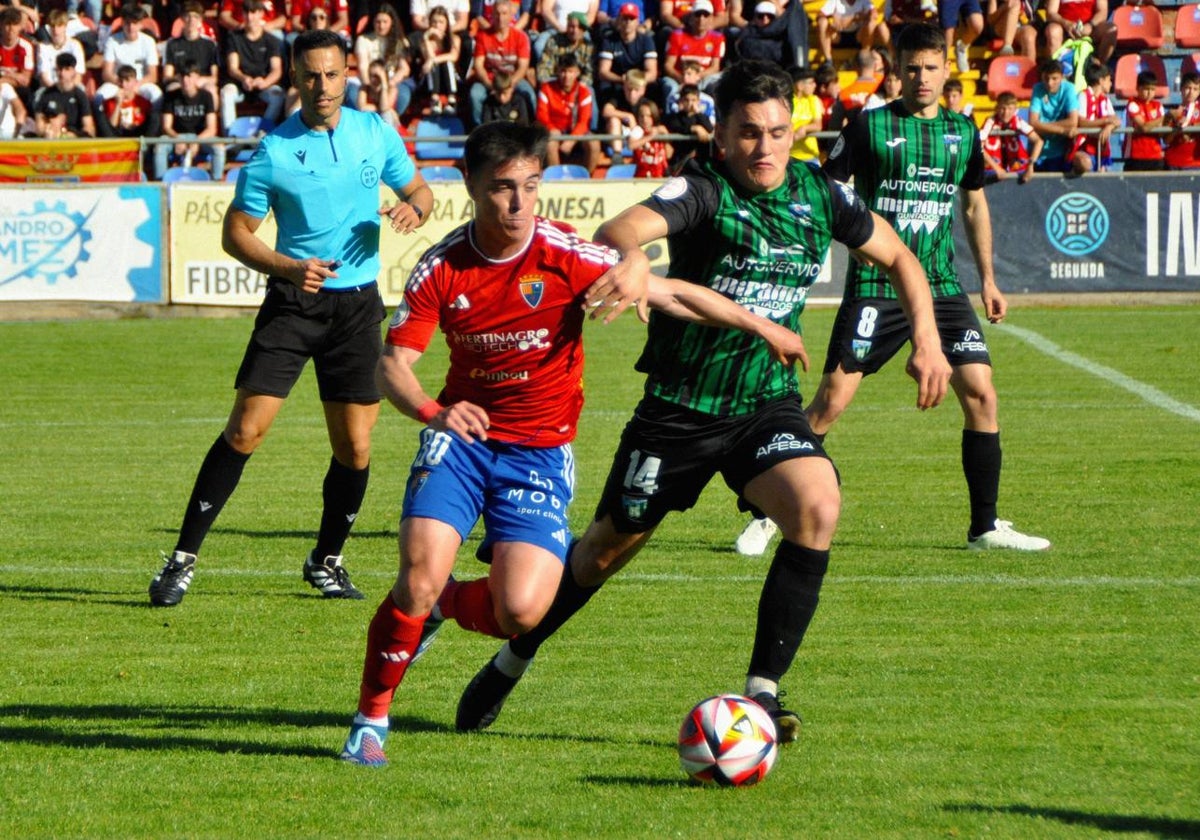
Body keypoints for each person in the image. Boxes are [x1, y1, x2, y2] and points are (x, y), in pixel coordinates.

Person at [449, 59, 952, 739]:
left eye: (777, 131)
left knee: (817, 503)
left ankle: (764, 695)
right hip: (679, 410)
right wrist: (628, 258)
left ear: (795, 128)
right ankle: (513, 659)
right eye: (749, 132)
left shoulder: (820, 192)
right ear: (722, 133)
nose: (765, 147)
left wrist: (927, 338)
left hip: (763, 405)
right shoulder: (703, 190)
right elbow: (621, 231)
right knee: (601, 552)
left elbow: (900, 257)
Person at [338, 118, 815, 766]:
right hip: (464, 441)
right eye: (503, 188)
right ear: (470, 183)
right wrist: (434, 411)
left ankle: (447, 606)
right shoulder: (441, 267)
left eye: (531, 187)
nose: (518, 204)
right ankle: (371, 720)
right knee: (415, 578)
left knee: (522, 611)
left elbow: (672, 292)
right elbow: (391, 365)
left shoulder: (567, 255)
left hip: (538, 450)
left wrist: (765, 327)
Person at [147, 29, 434, 608]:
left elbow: (422, 192)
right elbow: (235, 234)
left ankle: (326, 561)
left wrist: (411, 207)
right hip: (293, 304)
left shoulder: (375, 132)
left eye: (332, 74)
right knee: (245, 430)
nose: (322, 85)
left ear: (346, 72)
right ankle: (181, 561)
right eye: (311, 75)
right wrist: (286, 266)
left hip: (357, 308)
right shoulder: (274, 151)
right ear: (295, 78)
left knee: (355, 448)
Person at [812, 23, 1049, 552]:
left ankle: (984, 527)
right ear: (896, 70)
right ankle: (766, 508)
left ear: (947, 71)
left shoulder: (964, 133)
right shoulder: (868, 127)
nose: (921, 77)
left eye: (931, 67)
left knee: (982, 395)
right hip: (878, 283)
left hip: (943, 286)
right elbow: (828, 193)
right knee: (830, 402)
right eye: (911, 68)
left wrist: (987, 279)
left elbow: (973, 203)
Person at [466, 0, 535, 128]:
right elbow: (479, 65)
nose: (500, 18)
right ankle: (479, 131)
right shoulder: (483, 36)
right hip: (490, 79)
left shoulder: (521, 37)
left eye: (504, 13)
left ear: (511, 16)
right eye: (497, 14)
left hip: (512, 78)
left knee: (529, 94)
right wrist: (491, 85)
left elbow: (522, 67)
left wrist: (509, 85)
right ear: (492, 15)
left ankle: (530, 132)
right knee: (475, 95)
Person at [219, 0, 286, 131]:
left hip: (263, 83)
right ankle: (230, 136)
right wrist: (244, 79)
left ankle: (263, 131)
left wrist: (265, 82)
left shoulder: (272, 40)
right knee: (226, 93)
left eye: (254, 12)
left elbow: (276, 69)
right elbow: (232, 68)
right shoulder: (233, 38)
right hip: (239, 83)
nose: (250, 17)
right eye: (246, 13)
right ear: (242, 14)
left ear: (261, 14)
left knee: (278, 95)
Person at [155, 60, 225, 179]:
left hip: (201, 137)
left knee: (219, 148)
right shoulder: (170, 96)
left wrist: (197, 141)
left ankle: (216, 182)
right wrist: (177, 139)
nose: (186, 80)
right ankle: (160, 184)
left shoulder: (206, 96)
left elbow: (212, 128)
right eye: (182, 76)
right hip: (176, 136)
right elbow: (166, 127)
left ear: (197, 77)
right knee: (160, 147)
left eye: (189, 76)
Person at [537, 52, 600, 172]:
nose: (566, 76)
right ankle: (556, 179)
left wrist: (571, 140)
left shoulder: (583, 92)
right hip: (554, 132)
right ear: (557, 71)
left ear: (577, 73)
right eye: (563, 71)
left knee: (594, 143)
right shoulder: (546, 89)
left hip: (576, 132)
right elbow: (542, 117)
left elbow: (584, 121)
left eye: (571, 71)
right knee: (550, 144)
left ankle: (586, 178)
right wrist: (552, 129)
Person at [98, 5, 162, 105]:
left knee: (156, 95)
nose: (131, 27)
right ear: (122, 23)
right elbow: (106, 73)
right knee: (99, 96)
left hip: (140, 83)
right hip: (118, 83)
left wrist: (135, 85)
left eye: (135, 23)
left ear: (141, 25)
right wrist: (122, 84)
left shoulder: (149, 42)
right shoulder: (112, 41)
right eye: (127, 23)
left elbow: (152, 75)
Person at [661, 0, 724, 101]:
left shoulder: (717, 38)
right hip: (680, 78)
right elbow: (668, 65)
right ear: (691, 17)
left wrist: (696, 77)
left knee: (717, 82)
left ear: (711, 18)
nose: (701, 19)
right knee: (670, 87)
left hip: (703, 78)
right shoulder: (677, 35)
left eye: (706, 15)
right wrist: (682, 78)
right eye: (697, 15)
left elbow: (715, 67)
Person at [595, 2, 658, 101]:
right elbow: (603, 71)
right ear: (619, 20)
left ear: (637, 21)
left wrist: (635, 81)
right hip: (617, 81)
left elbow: (652, 73)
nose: (628, 22)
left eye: (632, 19)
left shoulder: (646, 40)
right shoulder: (609, 40)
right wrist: (622, 80)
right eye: (625, 18)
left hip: (640, 83)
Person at [1028, 58, 1079, 174]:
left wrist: (1042, 126)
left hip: (1061, 152)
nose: (1050, 83)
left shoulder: (1069, 89)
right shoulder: (1037, 88)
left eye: (1054, 79)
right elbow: (1033, 122)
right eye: (1046, 78)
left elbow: (1073, 121)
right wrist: (1062, 130)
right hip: (1038, 153)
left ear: (1061, 77)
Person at [161, 1, 222, 99]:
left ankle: (211, 114)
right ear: (182, 18)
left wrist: (198, 81)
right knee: (172, 90)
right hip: (180, 82)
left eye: (196, 17)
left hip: (202, 82)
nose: (191, 20)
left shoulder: (210, 44)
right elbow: (167, 77)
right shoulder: (172, 44)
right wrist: (183, 80)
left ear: (201, 20)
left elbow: (214, 78)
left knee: (211, 90)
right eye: (188, 16)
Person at [979, 90, 1041, 183]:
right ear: (997, 108)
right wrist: (996, 168)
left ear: (1015, 109)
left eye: (1010, 109)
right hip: (993, 169)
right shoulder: (990, 122)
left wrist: (1031, 164)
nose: (1006, 112)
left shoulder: (1018, 121)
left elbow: (1038, 141)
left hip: (1016, 167)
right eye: (1002, 108)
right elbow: (978, 146)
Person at [1070, 60, 1117, 175]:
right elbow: (1080, 122)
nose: (1111, 83)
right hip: (1084, 147)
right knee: (1085, 163)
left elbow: (1116, 120)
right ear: (1101, 81)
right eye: (1109, 80)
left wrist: (1109, 127)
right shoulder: (1083, 96)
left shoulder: (1105, 100)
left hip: (1100, 149)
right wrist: (1105, 121)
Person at [32, 52, 93, 138]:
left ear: (73, 71)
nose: (62, 73)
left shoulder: (80, 96)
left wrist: (71, 136)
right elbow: (39, 123)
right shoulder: (46, 94)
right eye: (59, 69)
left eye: (66, 69)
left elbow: (88, 127)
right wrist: (46, 131)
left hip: (73, 141)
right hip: (50, 137)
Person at [1042, 0, 1115, 67]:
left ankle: (1098, 68)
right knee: (1053, 31)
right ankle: (1053, 70)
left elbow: (1102, 12)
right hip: (1064, 27)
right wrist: (1066, 23)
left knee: (1110, 30)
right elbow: (1051, 13)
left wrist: (1090, 25)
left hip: (1091, 28)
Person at [815, 0, 886, 68]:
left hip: (858, 36)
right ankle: (828, 60)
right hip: (838, 35)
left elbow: (874, 15)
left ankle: (865, 55)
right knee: (822, 22)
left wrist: (853, 18)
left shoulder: (864, 1)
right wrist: (832, 16)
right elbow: (820, 15)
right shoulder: (835, 1)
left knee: (871, 23)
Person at [417, 4, 461, 114]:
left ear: (447, 24)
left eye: (441, 22)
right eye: (434, 22)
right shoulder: (425, 42)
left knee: (447, 63)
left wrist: (433, 60)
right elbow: (429, 58)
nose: (437, 26)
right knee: (433, 64)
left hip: (450, 78)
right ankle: (435, 99)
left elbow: (453, 56)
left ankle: (451, 100)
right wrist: (427, 39)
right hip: (431, 79)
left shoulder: (454, 39)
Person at [1123, 70, 1165, 173]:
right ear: (1138, 88)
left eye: (1152, 89)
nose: (1149, 93)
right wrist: (1164, 118)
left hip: (1155, 155)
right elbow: (1143, 127)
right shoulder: (1132, 104)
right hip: (1136, 155)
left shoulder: (1158, 106)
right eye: (1146, 89)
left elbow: (1162, 130)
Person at [1165, 71, 1200, 171]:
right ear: (1181, 89)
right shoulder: (1173, 111)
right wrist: (1176, 128)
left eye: (1195, 89)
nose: (1191, 92)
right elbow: (1166, 140)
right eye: (1188, 88)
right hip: (1173, 161)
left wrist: (1190, 126)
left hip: (1194, 163)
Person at [627, 97, 670, 175]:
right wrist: (650, 136)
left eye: (648, 116)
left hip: (660, 175)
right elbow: (631, 145)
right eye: (641, 116)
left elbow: (669, 154)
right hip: (642, 176)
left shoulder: (659, 131)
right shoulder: (638, 130)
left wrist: (666, 136)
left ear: (654, 116)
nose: (644, 119)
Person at [788, 65, 821, 162]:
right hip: (790, 156)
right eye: (811, 83)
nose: (815, 85)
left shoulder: (813, 100)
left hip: (810, 156)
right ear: (799, 85)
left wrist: (804, 128)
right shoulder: (787, 101)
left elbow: (818, 125)